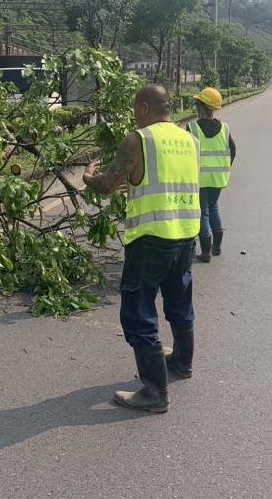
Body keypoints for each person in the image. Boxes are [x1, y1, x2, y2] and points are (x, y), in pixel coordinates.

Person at [83, 84, 200, 413]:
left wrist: (89, 176)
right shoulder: (190, 140)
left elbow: (107, 185)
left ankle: (154, 392)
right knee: (179, 301)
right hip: (185, 236)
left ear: (146, 107)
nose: (135, 116)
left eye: (137, 109)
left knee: (138, 313)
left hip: (150, 240)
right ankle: (182, 362)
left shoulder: (139, 139)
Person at [186, 87, 236, 262]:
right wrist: (224, 167)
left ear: (200, 106)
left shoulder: (192, 128)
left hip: (199, 178)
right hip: (218, 178)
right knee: (213, 208)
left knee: (203, 212)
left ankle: (205, 252)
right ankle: (216, 248)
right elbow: (233, 150)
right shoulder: (224, 128)